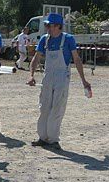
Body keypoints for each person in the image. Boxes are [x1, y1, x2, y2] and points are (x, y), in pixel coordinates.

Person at [27, 13, 91, 150]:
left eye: (49, 25)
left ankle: (53, 139)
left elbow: (77, 59)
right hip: (48, 75)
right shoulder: (45, 40)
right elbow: (36, 58)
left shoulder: (68, 39)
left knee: (57, 107)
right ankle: (43, 137)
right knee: (44, 106)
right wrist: (31, 75)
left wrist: (84, 81)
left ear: (58, 26)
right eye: (47, 25)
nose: (47, 28)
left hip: (62, 76)